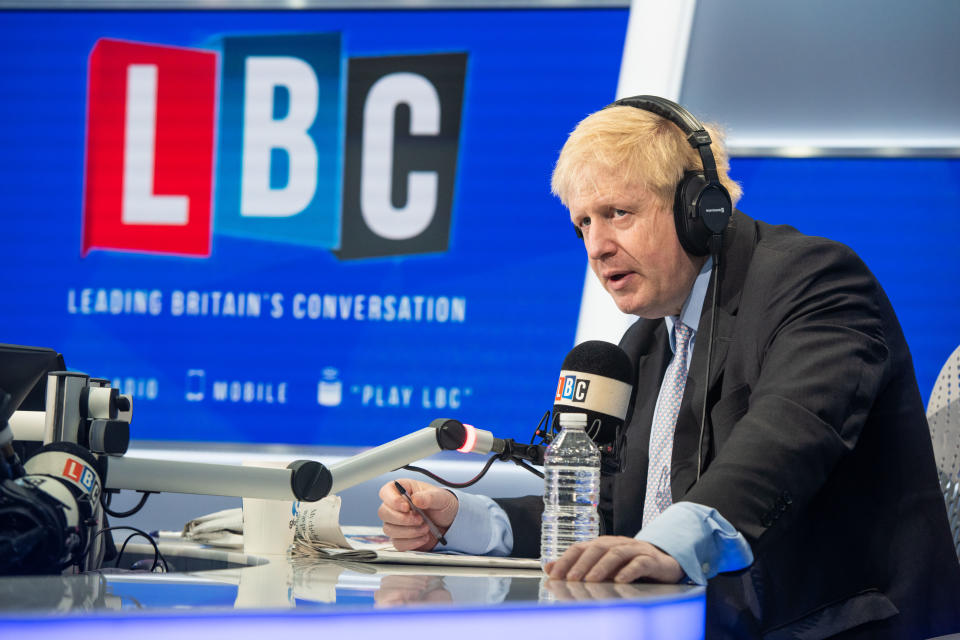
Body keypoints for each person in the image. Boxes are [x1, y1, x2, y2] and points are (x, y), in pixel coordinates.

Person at [377, 97, 960, 639]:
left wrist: (670, 546)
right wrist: (469, 520)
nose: (596, 246)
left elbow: (790, 436)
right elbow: (603, 512)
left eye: (617, 214)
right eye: (584, 223)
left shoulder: (812, 281)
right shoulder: (643, 346)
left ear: (698, 209)